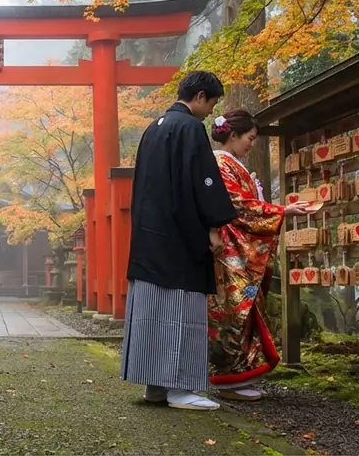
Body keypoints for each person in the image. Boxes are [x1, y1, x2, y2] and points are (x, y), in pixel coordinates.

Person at [119, 71, 238, 411]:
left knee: (152, 311)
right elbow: (202, 181)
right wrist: (213, 225)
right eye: (212, 103)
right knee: (179, 311)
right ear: (199, 96)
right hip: (179, 238)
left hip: (149, 237)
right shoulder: (189, 128)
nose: (211, 111)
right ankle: (180, 388)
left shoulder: (153, 128)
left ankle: (155, 387)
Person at [206, 110, 310, 401]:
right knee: (233, 312)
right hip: (231, 250)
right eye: (250, 138)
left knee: (244, 311)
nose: (252, 144)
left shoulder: (230, 164)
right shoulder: (221, 164)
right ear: (233, 135)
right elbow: (238, 206)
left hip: (238, 248)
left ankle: (239, 375)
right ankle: (228, 378)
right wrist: (282, 210)